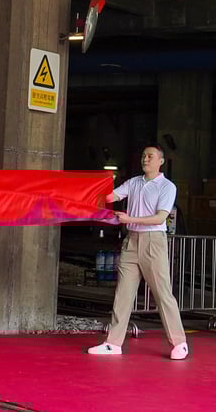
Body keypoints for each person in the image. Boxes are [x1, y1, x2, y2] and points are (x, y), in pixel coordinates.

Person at [87, 144, 188, 360]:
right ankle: (113, 343)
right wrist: (91, 186)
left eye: (150, 156)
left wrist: (129, 219)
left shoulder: (167, 187)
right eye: (143, 155)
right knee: (123, 294)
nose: (145, 159)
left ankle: (179, 343)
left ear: (161, 161)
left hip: (153, 241)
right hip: (131, 241)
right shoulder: (134, 182)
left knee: (162, 293)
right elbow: (110, 197)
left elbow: (160, 218)